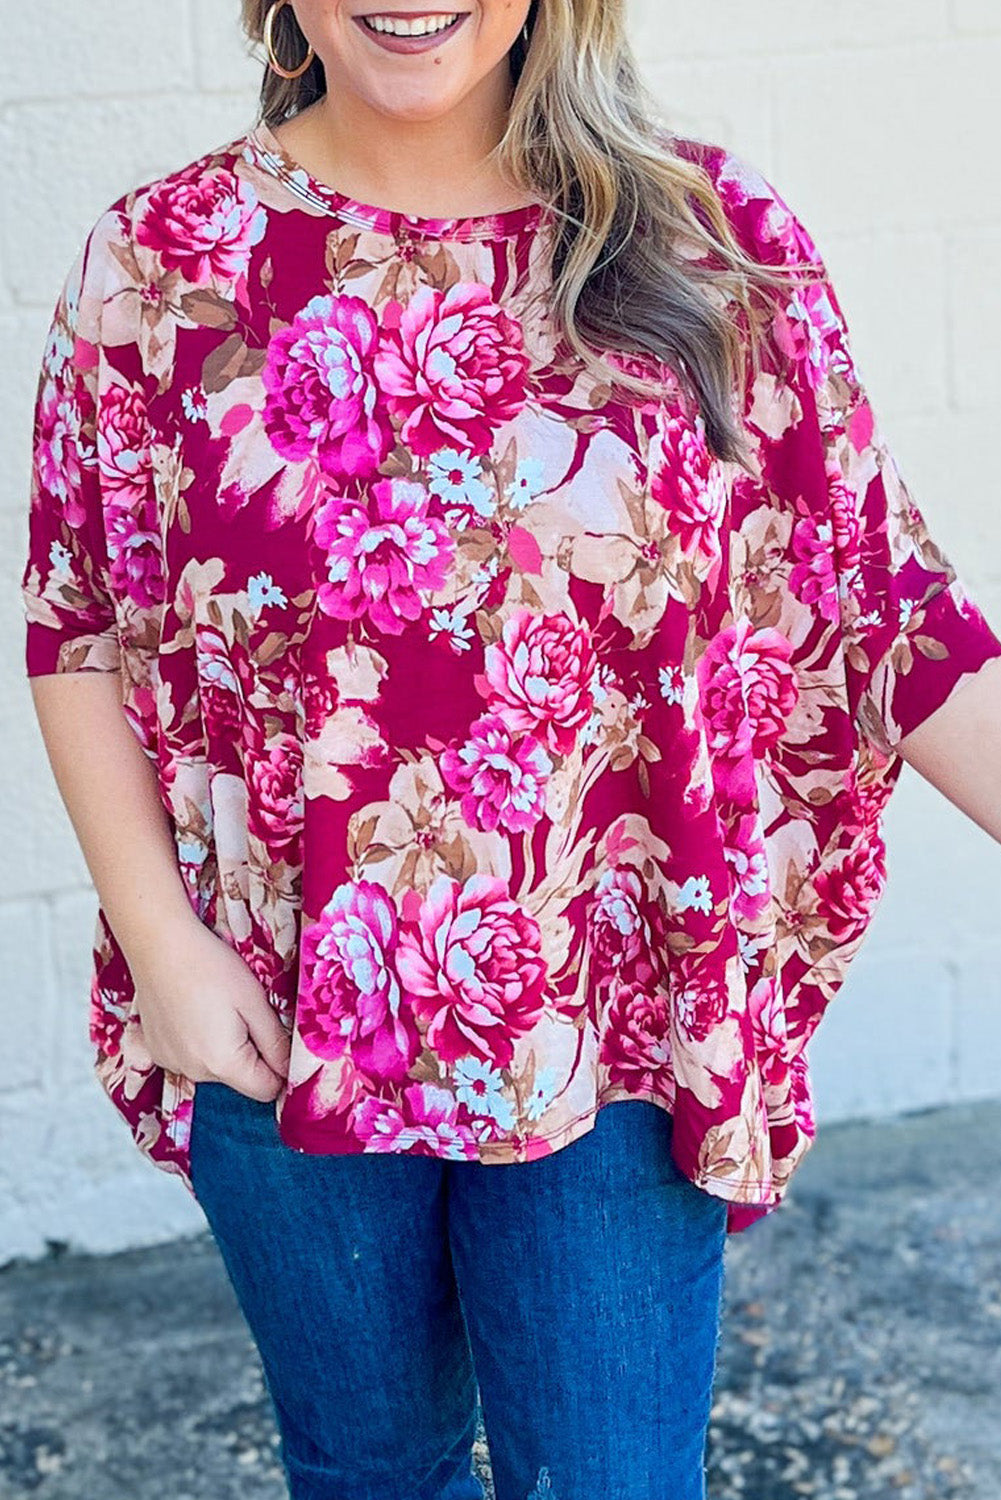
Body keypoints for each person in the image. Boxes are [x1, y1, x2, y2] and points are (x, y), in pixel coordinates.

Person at [19, 1, 1001, 1497]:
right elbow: (75, 618)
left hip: (607, 1029)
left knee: (607, 1477)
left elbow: (873, 599)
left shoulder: (708, 241)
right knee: (367, 1468)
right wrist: (162, 945)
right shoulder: (164, 261)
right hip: (283, 1013)